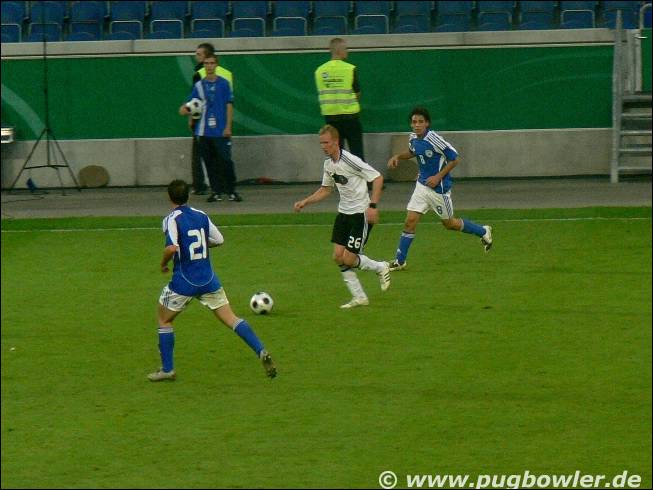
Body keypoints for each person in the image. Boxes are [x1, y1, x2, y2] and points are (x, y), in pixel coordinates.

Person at [148, 179, 275, 381]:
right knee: (232, 319)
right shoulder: (201, 215)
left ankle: (167, 369)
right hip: (208, 280)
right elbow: (219, 240)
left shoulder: (171, 219)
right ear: (188, 196)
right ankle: (260, 350)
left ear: (169, 197)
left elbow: (171, 248)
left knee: (164, 319)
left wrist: (163, 264)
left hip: (184, 281)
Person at [294, 125, 390, 309]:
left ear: (336, 142)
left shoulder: (351, 161)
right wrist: (306, 201)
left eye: (326, 143)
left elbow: (377, 178)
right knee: (338, 257)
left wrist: (373, 206)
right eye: (321, 143)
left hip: (360, 215)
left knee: (349, 259)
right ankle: (359, 297)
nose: (323, 147)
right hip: (343, 214)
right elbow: (326, 189)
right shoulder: (328, 164)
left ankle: (381, 267)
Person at [386, 107, 493, 271]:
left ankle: (483, 231)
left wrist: (437, 177)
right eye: (414, 122)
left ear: (427, 123)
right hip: (422, 186)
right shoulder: (413, 137)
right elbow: (413, 152)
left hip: (439, 190)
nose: (417, 125)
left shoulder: (434, 139)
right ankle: (400, 261)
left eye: (421, 122)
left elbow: (455, 159)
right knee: (410, 221)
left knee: (449, 224)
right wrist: (398, 156)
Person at [180, 52, 242, 203]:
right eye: (206, 63)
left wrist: (228, 127)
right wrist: (186, 111)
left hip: (220, 130)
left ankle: (231, 190)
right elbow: (190, 105)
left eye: (212, 63)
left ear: (216, 65)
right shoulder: (199, 86)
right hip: (203, 131)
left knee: (226, 161)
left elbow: (229, 105)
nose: (209, 66)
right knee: (210, 163)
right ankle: (216, 191)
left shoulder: (224, 84)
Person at [314, 38, 365, 161]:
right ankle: (360, 174)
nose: (347, 51)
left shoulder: (319, 71)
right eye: (345, 49)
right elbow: (357, 93)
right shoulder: (350, 69)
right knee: (357, 155)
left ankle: (338, 174)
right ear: (339, 50)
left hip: (331, 120)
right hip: (350, 118)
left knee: (336, 155)